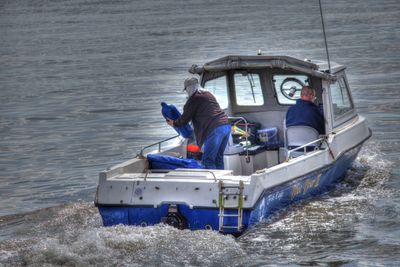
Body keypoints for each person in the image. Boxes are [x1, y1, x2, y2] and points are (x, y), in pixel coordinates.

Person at [166, 77, 230, 170]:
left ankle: (212, 183)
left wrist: (174, 123)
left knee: (208, 160)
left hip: (215, 129)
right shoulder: (208, 94)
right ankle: (222, 179)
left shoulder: (194, 99)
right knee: (218, 158)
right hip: (225, 126)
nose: (187, 92)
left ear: (189, 88)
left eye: (186, 90)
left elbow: (185, 119)